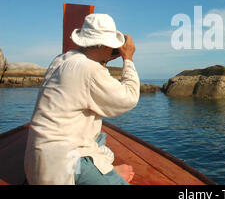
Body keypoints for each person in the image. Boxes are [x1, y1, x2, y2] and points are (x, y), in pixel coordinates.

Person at [24, 13, 140, 185]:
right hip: (64, 164)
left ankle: (99, 170)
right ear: (102, 43)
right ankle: (102, 174)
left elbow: (85, 80)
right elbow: (129, 97)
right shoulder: (89, 69)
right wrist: (128, 59)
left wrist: (105, 57)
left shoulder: (61, 59)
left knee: (100, 138)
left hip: (38, 160)